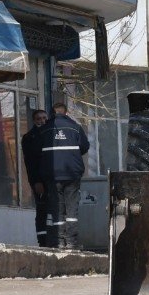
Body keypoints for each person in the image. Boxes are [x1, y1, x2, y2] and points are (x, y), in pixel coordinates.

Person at [38, 102, 90, 250]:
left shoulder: (45, 129)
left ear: (52, 113)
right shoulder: (75, 127)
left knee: (57, 207)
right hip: (72, 173)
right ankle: (72, 243)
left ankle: (59, 241)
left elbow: (38, 152)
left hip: (52, 175)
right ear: (66, 113)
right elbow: (85, 147)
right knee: (72, 208)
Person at [20, 109, 49, 246]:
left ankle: (55, 239)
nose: (42, 121)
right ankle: (42, 241)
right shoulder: (29, 137)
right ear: (34, 120)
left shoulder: (52, 133)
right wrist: (36, 181)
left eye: (44, 118)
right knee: (42, 209)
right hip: (39, 180)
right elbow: (30, 162)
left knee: (55, 209)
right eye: (39, 119)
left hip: (53, 178)